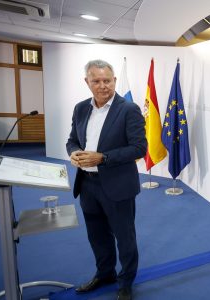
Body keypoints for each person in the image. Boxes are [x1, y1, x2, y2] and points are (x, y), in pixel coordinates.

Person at [66, 59, 146, 300]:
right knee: (97, 235)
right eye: (96, 81)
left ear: (114, 81)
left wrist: (103, 157)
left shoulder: (128, 109)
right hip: (87, 185)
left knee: (125, 237)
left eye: (107, 81)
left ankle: (126, 283)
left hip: (118, 185)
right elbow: (72, 139)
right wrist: (73, 152)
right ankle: (105, 274)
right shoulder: (81, 108)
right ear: (87, 82)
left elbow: (139, 148)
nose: (103, 86)